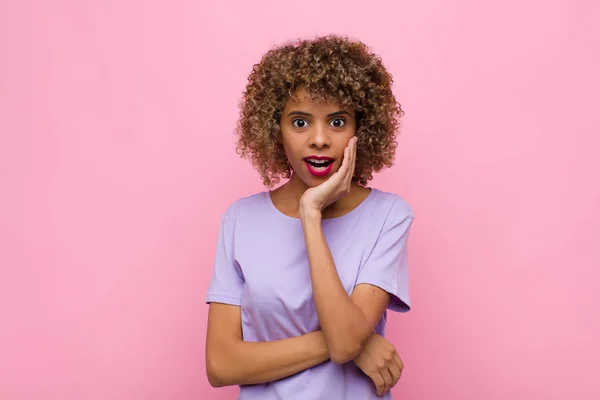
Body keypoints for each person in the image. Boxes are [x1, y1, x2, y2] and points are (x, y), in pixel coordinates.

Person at [204, 34, 415, 399]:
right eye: (300, 122)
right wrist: (353, 345)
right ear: (275, 129)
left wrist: (310, 213)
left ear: (360, 129)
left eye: (337, 122)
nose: (319, 139)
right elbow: (221, 364)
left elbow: (346, 339)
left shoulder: (388, 216)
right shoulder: (240, 220)